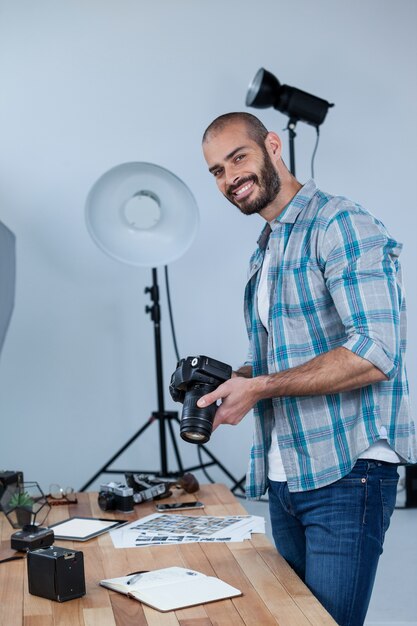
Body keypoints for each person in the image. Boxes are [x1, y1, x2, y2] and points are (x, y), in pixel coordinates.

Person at [199, 112, 417, 626]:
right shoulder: (268, 248)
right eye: (216, 171)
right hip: (286, 475)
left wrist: (261, 386)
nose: (230, 178)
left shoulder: (340, 223)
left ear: (272, 146)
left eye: (238, 158)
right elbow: (286, 358)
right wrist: (235, 381)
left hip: (347, 474)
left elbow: (374, 350)